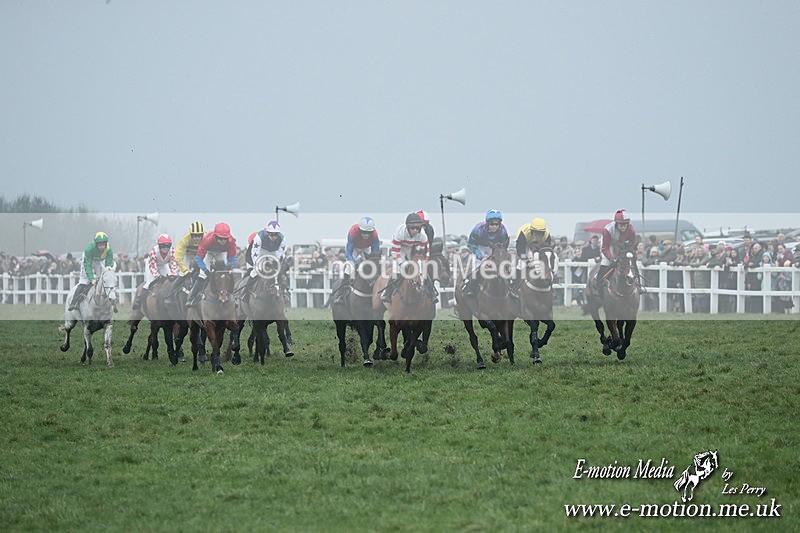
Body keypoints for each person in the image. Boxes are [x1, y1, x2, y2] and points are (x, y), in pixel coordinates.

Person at [185, 223, 238, 307]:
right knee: (202, 275)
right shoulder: (207, 240)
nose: (223, 241)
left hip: (221, 253)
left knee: (227, 274)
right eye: (220, 238)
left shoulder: (231, 241)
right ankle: (191, 298)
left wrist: (230, 268)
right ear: (216, 236)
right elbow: (198, 258)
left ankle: (232, 296)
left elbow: (232, 257)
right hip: (209, 252)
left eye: (225, 239)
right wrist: (206, 271)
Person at [381, 212, 429, 303]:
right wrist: (402, 263)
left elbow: (424, 251)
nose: (415, 230)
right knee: (397, 271)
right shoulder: (399, 233)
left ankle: (431, 293)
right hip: (400, 249)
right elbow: (395, 252)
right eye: (412, 228)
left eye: (417, 228)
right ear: (407, 227)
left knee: (422, 271)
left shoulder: (423, 236)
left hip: (412, 250)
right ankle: (387, 293)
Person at [462, 210, 510, 297]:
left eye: (497, 224)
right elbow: (471, 244)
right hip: (479, 246)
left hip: (495, 247)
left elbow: (504, 246)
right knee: (478, 266)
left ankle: (510, 289)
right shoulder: (478, 229)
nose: (494, 227)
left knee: (503, 266)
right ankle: (470, 288)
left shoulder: (503, 231)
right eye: (492, 224)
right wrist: (480, 256)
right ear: (487, 223)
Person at [334, 216, 381, 304]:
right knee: (349, 268)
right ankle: (341, 293)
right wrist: (354, 263)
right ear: (360, 230)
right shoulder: (353, 232)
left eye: (368, 233)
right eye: (364, 233)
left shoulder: (375, 235)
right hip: (354, 248)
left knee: (374, 268)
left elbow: (375, 254)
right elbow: (348, 253)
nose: (366, 235)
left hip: (366, 248)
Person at [592, 210, 638, 297]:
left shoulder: (631, 230)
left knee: (630, 261)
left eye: (625, 224)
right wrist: (611, 259)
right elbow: (605, 248)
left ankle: (639, 286)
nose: (623, 227)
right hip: (608, 244)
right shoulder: (608, 229)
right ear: (616, 223)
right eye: (621, 224)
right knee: (606, 263)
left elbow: (631, 246)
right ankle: (598, 287)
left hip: (621, 245)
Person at [68, 231, 116, 311]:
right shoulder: (89, 249)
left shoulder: (109, 249)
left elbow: (109, 262)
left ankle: (113, 303)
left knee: (106, 280)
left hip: (99, 261)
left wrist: (108, 271)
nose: (102, 247)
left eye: (103, 244)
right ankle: (74, 302)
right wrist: (91, 279)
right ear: (96, 244)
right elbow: (87, 265)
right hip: (88, 261)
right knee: (84, 281)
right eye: (100, 245)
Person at [133, 234, 179, 312]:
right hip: (151, 265)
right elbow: (153, 266)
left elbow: (174, 264)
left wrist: (173, 274)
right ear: (159, 246)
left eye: (168, 246)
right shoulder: (154, 251)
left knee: (171, 281)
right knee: (150, 282)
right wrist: (157, 276)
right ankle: (139, 301)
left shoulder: (172, 251)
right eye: (163, 246)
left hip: (164, 264)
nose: (165, 248)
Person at [242, 221, 287, 301]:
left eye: (276, 234)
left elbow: (281, 254)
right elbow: (255, 253)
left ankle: (283, 293)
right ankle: (245, 293)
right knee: (255, 272)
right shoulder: (259, 236)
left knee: (278, 271)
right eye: (271, 234)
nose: (274, 237)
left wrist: (277, 264)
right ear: (267, 232)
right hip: (261, 252)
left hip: (273, 252)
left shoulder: (282, 239)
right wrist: (257, 265)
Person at [164, 221, 205, 305]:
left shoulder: (206, 238)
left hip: (201, 255)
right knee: (182, 274)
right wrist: (186, 271)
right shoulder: (185, 240)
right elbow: (178, 257)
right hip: (188, 255)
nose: (197, 238)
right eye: (195, 236)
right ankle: (170, 297)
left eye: (199, 236)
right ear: (191, 235)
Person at [514, 217, 555, 297]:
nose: (538, 236)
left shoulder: (547, 236)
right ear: (531, 231)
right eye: (535, 233)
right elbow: (520, 250)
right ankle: (515, 287)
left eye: (540, 234)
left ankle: (551, 287)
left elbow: (546, 250)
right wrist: (527, 261)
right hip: (524, 244)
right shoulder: (524, 233)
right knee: (520, 265)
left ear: (544, 233)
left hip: (537, 247)